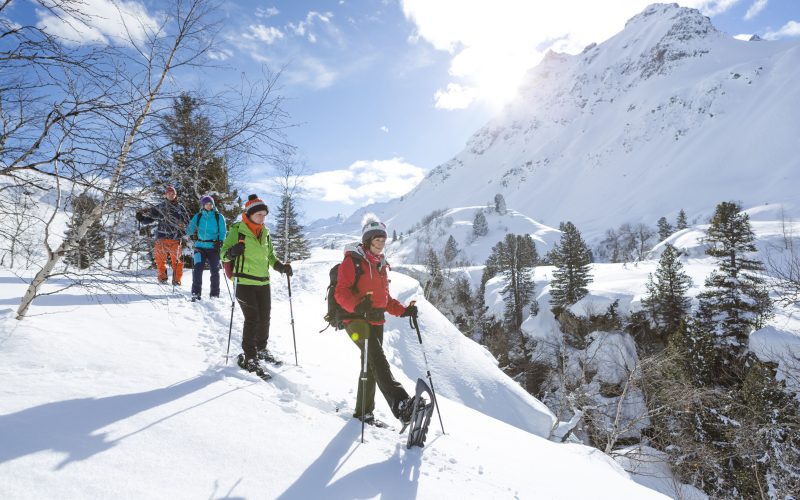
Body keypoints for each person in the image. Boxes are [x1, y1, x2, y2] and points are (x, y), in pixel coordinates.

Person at [335, 215, 421, 427]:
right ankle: (401, 404)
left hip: (375, 321)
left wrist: (404, 311)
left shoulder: (381, 265)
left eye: (383, 240)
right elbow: (341, 292)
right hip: (355, 319)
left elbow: (385, 299)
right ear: (367, 241)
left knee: (370, 365)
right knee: (378, 360)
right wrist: (356, 305)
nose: (381, 244)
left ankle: (363, 413)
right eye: (377, 240)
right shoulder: (352, 261)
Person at [221, 194, 293, 373]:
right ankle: (250, 357)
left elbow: (270, 257)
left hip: (263, 282)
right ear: (250, 214)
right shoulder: (237, 230)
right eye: (259, 214)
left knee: (265, 318)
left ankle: (261, 349)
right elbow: (223, 254)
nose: (262, 218)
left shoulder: (265, 233)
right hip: (244, 281)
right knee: (252, 318)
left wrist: (281, 267)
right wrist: (232, 252)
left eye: (264, 214)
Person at [136, 186, 190, 285]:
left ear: (175, 195)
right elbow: (150, 218)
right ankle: (162, 278)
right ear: (165, 195)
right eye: (169, 193)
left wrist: (183, 231)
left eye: (173, 193)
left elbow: (187, 221)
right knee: (160, 260)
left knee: (177, 261)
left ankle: (176, 280)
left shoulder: (180, 208)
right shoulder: (160, 207)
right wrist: (141, 218)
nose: (171, 195)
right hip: (161, 238)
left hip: (175, 238)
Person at [186, 195, 227, 301]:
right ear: (203, 205)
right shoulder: (198, 216)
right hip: (199, 247)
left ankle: (214, 294)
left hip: (213, 247)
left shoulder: (219, 217)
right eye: (206, 204)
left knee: (214, 271)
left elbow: (223, 231)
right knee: (197, 270)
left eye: (210, 204)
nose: (209, 206)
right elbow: (190, 228)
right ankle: (196, 293)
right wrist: (185, 231)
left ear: (213, 205)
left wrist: (221, 241)